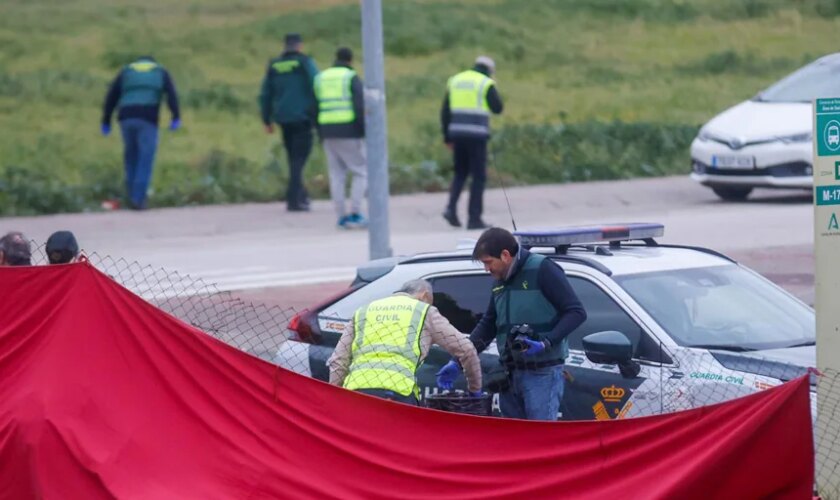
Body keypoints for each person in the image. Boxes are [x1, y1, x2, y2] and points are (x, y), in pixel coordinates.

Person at [436, 228, 587, 421]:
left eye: (488, 262)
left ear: (505, 255)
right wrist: (459, 360)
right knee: (515, 441)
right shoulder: (500, 282)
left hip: (542, 373)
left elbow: (576, 312)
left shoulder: (543, 269)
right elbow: (488, 325)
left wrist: (546, 342)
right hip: (509, 374)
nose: (486, 269)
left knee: (539, 440)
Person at [328, 279, 483, 405]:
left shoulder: (364, 310)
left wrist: (335, 398)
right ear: (424, 295)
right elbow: (466, 349)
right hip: (397, 395)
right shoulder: (424, 311)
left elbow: (338, 360)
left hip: (356, 392)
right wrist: (475, 390)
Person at [101, 55, 181, 211]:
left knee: (131, 157)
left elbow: (112, 95)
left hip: (126, 118)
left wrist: (106, 120)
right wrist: (175, 116)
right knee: (145, 158)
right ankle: (138, 199)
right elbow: (171, 95)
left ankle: (131, 195)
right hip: (147, 118)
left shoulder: (126, 71)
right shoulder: (160, 72)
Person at [440, 55, 504, 230]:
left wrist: (447, 136)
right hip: (476, 135)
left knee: (460, 173)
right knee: (478, 177)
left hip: (457, 134)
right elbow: (498, 108)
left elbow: (445, 111)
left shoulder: (456, 80)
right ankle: (474, 218)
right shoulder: (485, 82)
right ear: (490, 70)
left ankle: (450, 208)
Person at [259, 33, 320, 212]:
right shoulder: (304, 63)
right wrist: (318, 115)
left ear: (285, 46)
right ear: (299, 46)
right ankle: (294, 199)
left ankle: (300, 195)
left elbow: (265, 94)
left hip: (283, 118)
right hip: (302, 117)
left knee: (293, 157)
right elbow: (317, 84)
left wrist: (266, 119)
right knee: (299, 159)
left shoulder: (274, 65)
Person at [314, 47, 368, 229]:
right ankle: (355, 213)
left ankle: (341, 216)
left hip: (327, 131)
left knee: (336, 175)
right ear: (350, 60)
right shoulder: (350, 77)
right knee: (361, 171)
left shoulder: (321, 78)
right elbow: (359, 106)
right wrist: (364, 131)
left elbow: (314, 106)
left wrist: (319, 132)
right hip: (349, 131)